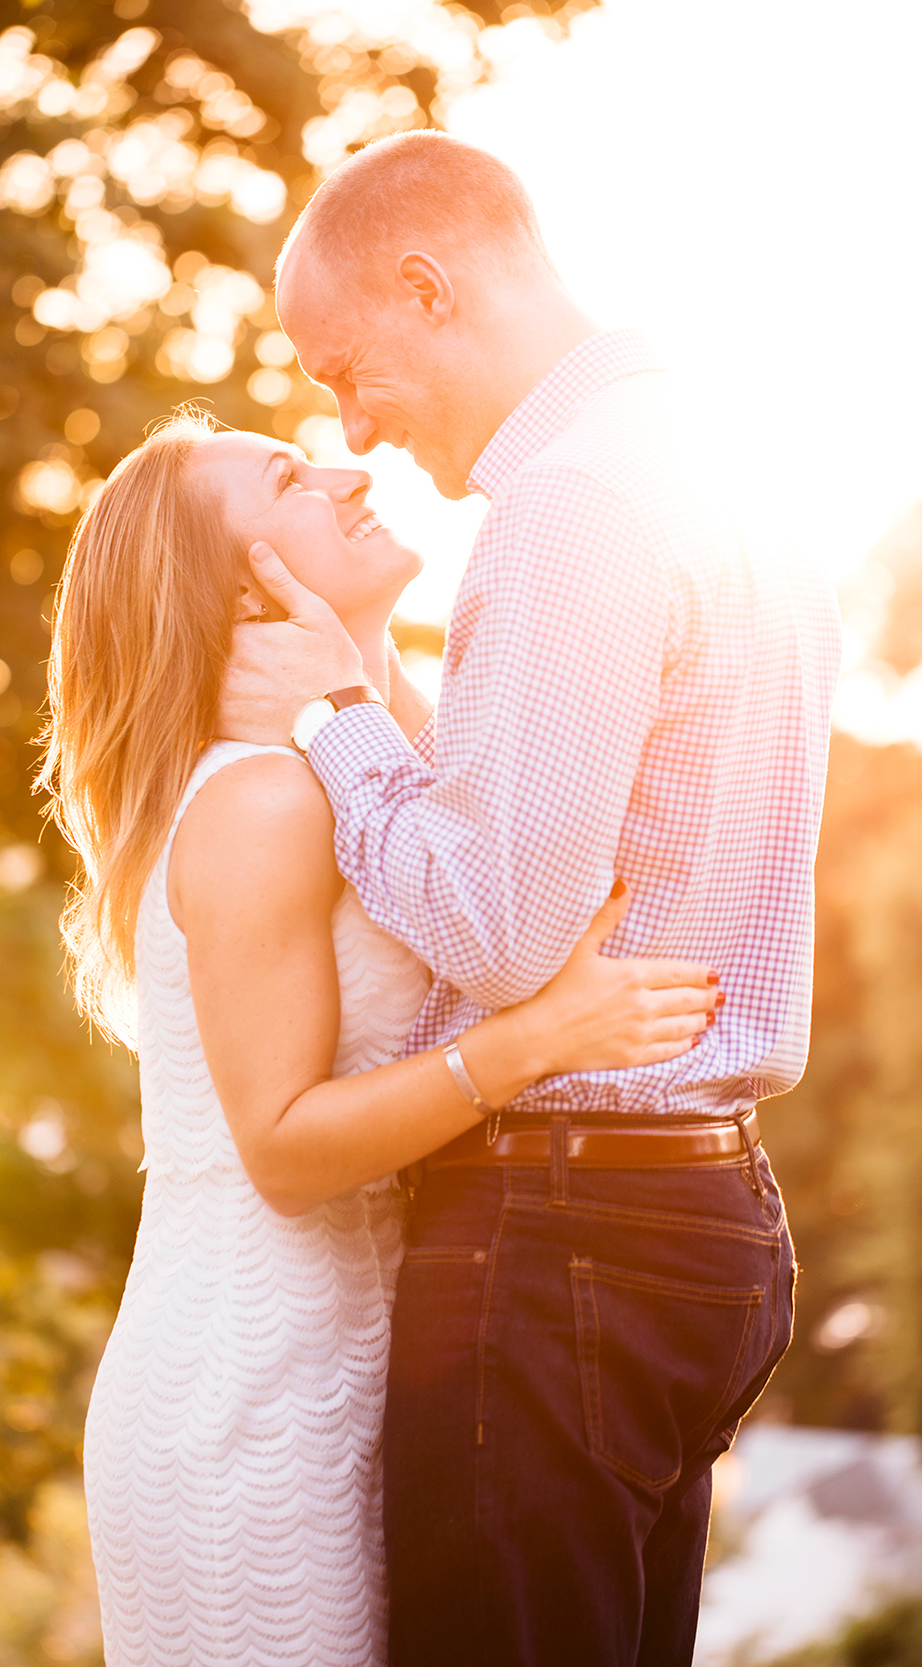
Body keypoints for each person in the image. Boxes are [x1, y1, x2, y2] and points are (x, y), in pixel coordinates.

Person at [218, 131, 843, 1666]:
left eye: (340, 367)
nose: (344, 419)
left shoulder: (569, 507)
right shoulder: (713, 458)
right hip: (704, 1212)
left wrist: (337, 711)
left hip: (565, 1222)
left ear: (426, 289)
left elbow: (498, 933)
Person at [35, 412, 720, 1667]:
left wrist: (344, 660)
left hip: (357, 1368)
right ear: (242, 588)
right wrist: (537, 1037)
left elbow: (468, 828)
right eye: (289, 479)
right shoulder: (257, 801)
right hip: (245, 1402)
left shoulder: (354, 759)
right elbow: (285, 1152)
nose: (348, 471)